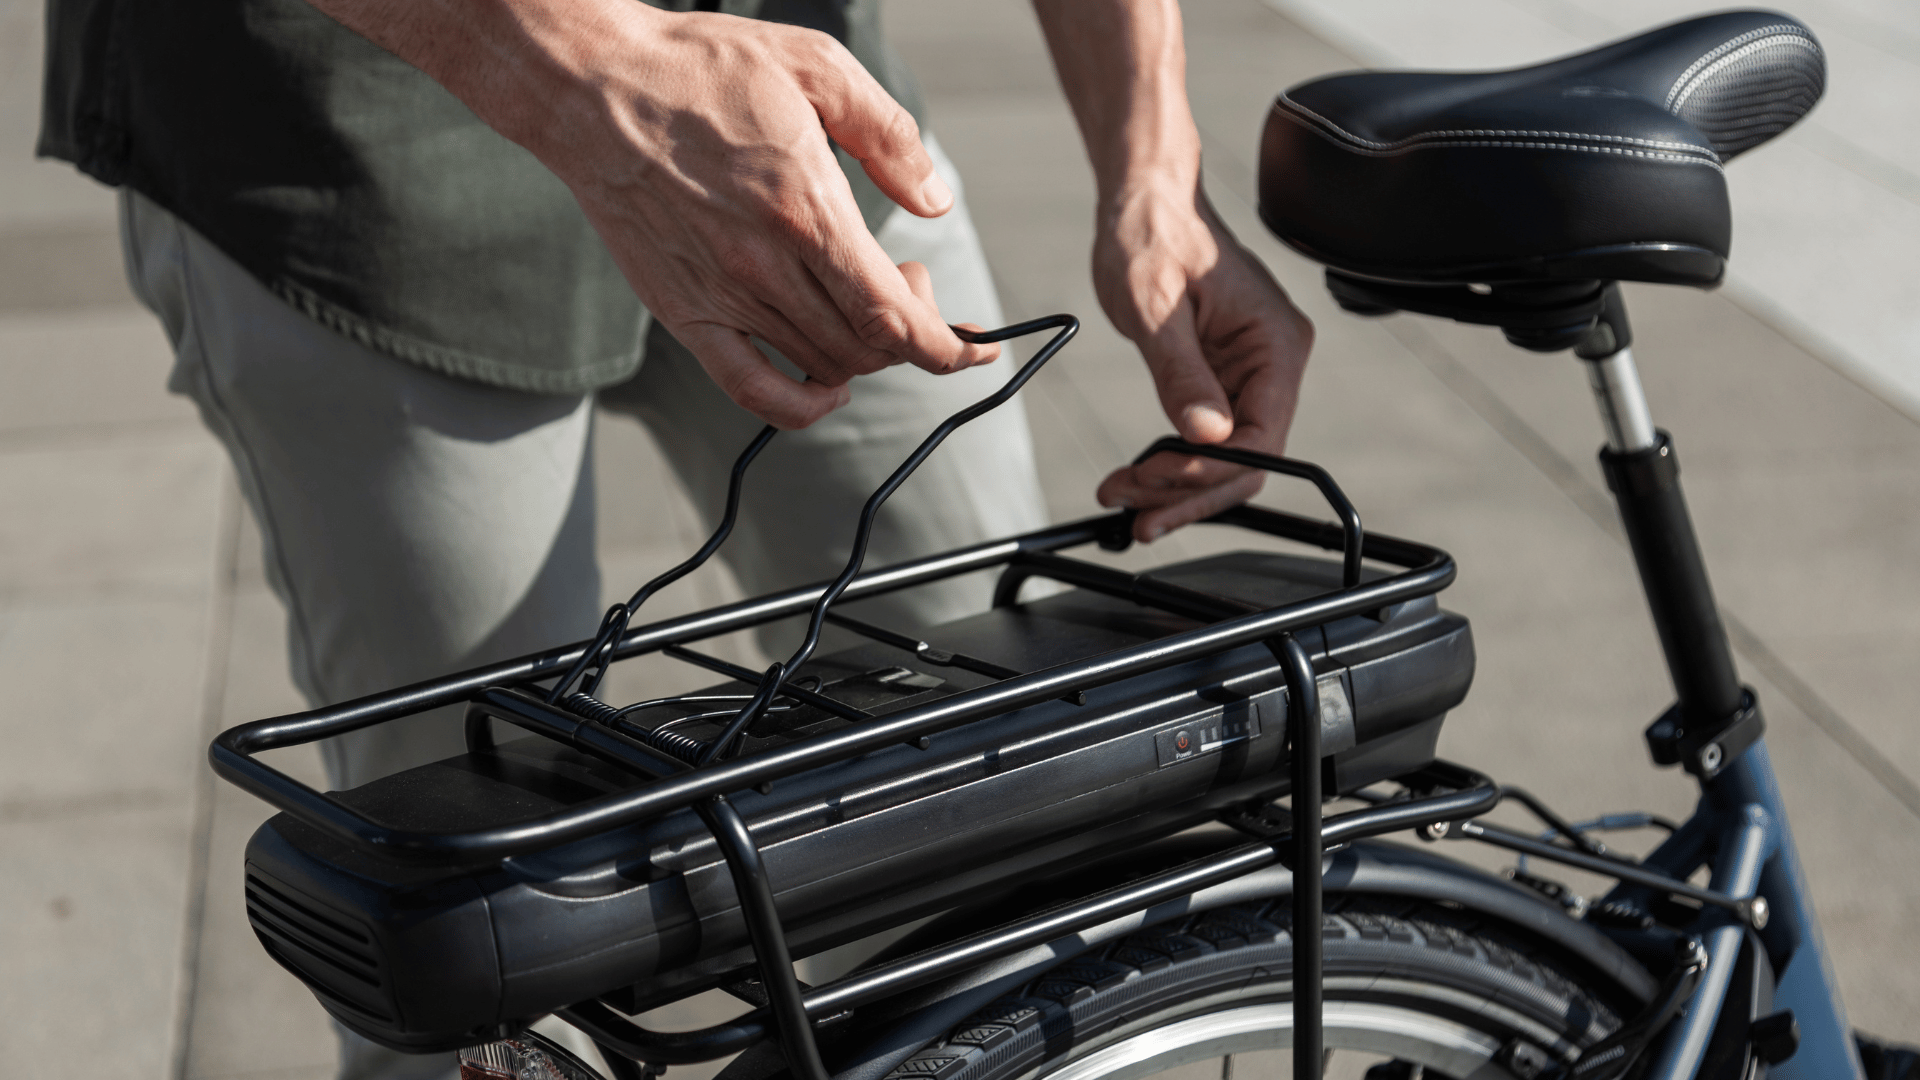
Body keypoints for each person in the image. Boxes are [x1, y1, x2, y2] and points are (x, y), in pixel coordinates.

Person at [41, 0, 1313, 1076]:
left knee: (1015, 773)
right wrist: (593, 68)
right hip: (356, 140)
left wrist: (1155, 172)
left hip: (795, 110)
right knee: (477, 917)